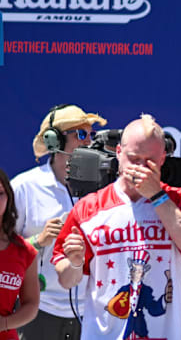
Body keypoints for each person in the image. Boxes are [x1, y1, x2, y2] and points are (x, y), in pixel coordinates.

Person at [51, 114, 181, 340]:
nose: (139, 167)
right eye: (133, 158)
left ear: (163, 158)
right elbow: (66, 280)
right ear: (118, 153)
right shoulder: (89, 207)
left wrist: (157, 196)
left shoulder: (180, 199)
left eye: (149, 161)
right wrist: (76, 262)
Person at [11, 104, 106, 340]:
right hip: (37, 311)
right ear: (55, 142)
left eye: (91, 135)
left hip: (92, 312)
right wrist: (38, 241)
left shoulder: (105, 190)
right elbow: (4, 252)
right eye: (81, 135)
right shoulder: (24, 187)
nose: (88, 142)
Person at [0, 168, 40, 340]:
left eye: (0, 193)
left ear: (8, 198)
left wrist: (5, 324)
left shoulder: (25, 251)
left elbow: (31, 304)